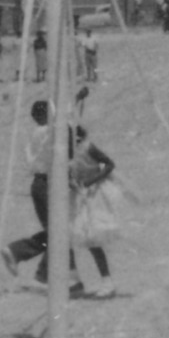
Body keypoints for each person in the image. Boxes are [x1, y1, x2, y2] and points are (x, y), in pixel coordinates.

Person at [0, 102, 78, 289]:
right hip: (48, 184)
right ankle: (41, 275)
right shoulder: (48, 132)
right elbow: (66, 137)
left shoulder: (37, 133)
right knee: (59, 231)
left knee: (57, 229)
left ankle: (18, 252)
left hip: (40, 183)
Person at [67, 125, 121, 299]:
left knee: (94, 238)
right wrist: (72, 183)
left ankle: (107, 282)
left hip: (95, 195)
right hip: (79, 196)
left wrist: (92, 180)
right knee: (83, 239)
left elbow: (109, 164)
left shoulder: (87, 147)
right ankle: (77, 281)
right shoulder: (64, 152)